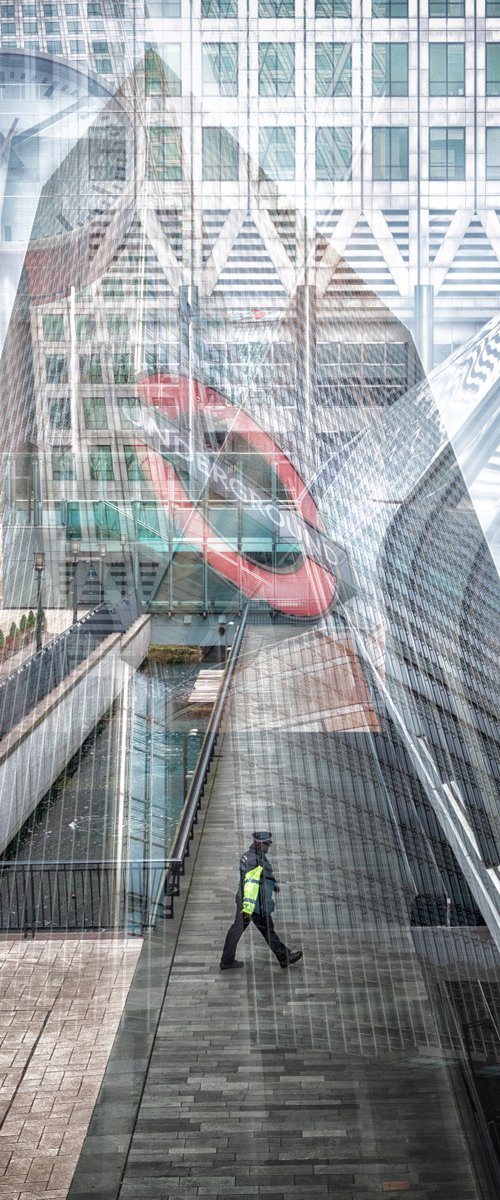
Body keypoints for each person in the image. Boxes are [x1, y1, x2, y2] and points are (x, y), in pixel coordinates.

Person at [219, 830, 303, 970]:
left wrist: (273, 883)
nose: (268, 847)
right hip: (253, 903)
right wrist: (252, 908)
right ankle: (284, 957)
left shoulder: (252, 856)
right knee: (267, 930)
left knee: (240, 930)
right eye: (266, 845)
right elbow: (252, 885)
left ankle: (227, 960)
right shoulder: (255, 860)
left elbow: (264, 874)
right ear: (259, 844)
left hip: (248, 901)